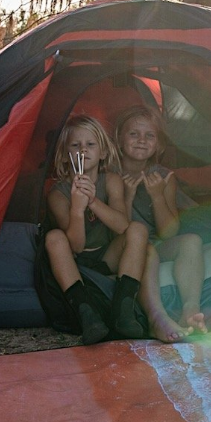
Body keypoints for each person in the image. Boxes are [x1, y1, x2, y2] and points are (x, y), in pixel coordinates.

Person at [38, 113, 149, 345]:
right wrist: (77, 210)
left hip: (106, 256)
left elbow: (123, 226)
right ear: (65, 155)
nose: (83, 150)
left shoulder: (111, 181)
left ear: (103, 152)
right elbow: (76, 246)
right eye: (75, 145)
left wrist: (93, 201)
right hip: (76, 261)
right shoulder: (58, 194)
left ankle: (123, 310)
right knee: (54, 237)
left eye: (90, 144)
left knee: (138, 229)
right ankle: (86, 312)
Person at [115, 106, 208, 337]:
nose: (141, 140)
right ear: (119, 139)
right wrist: (127, 196)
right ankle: (157, 319)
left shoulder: (164, 177)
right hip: (123, 246)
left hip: (156, 241)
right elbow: (116, 230)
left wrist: (157, 197)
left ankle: (190, 309)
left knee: (192, 241)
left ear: (159, 145)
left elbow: (169, 233)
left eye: (150, 135)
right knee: (146, 250)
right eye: (133, 134)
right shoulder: (110, 174)